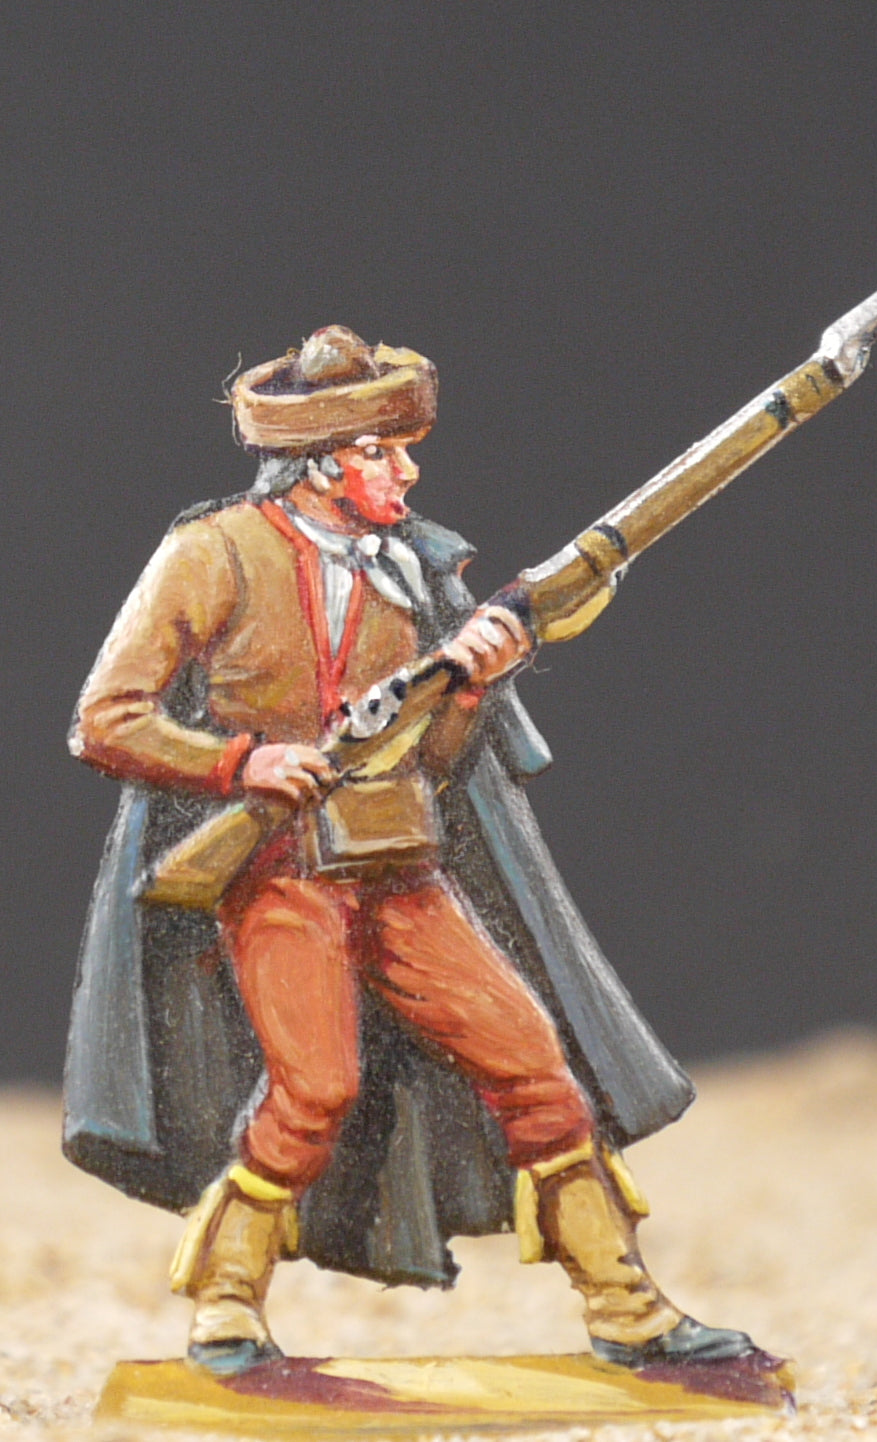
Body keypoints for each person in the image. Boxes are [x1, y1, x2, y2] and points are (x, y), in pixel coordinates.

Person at [66, 325, 764, 1377]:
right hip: (280, 871)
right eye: (380, 451)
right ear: (321, 462)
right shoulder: (213, 551)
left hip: (398, 863)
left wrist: (474, 682)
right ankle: (225, 1307)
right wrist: (243, 762)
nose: (406, 470)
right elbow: (106, 719)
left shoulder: (413, 571)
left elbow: (431, 759)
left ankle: (627, 1310)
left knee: (536, 1069)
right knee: (313, 1092)